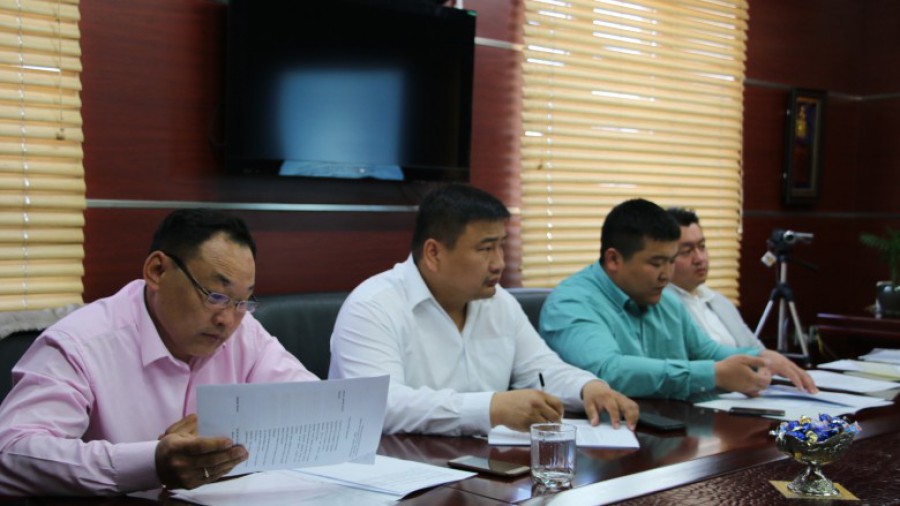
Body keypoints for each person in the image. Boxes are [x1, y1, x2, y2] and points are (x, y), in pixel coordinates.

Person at [0, 209, 318, 496]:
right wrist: (152, 462)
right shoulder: (80, 344)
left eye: (241, 302)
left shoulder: (245, 332)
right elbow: (11, 452)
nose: (227, 320)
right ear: (157, 271)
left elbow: (314, 407)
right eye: (215, 296)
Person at [329, 184, 638, 436]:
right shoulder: (373, 307)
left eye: (501, 245)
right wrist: (490, 409)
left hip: (484, 469)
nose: (499, 263)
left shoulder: (499, 302)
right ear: (434, 253)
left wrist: (588, 387)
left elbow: (541, 369)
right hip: (397, 472)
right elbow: (381, 406)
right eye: (485, 249)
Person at [539, 198, 816, 401]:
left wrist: (761, 358)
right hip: (604, 442)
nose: (666, 275)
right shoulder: (571, 303)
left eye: (671, 261)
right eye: (656, 263)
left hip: (672, 431)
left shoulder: (665, 300)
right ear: (614, 259)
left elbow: (707, 352)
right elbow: (609, 372)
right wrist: (713, 374)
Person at [665, 207, 765, 349]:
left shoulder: (717, 300)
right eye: (687, 251)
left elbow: (756, 348)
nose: (700, 258)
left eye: (702, 246)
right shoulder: (663, 307)